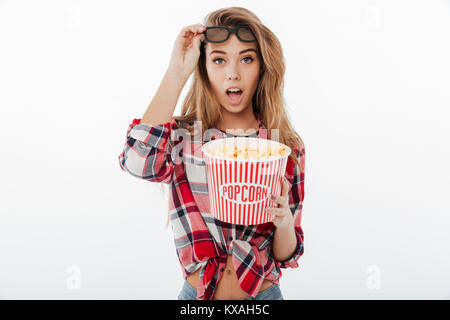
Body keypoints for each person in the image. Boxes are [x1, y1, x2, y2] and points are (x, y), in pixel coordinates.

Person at [118, 7, 306, 300]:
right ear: (203, 68)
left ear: (262, 67)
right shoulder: (183, 139)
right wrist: (177, 71)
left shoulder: (285, 148)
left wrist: (283, 223)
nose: (233, 73)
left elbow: (286, 254)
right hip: (197, 297)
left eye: (246, 59)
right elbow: (137, 161)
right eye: (219, 60)